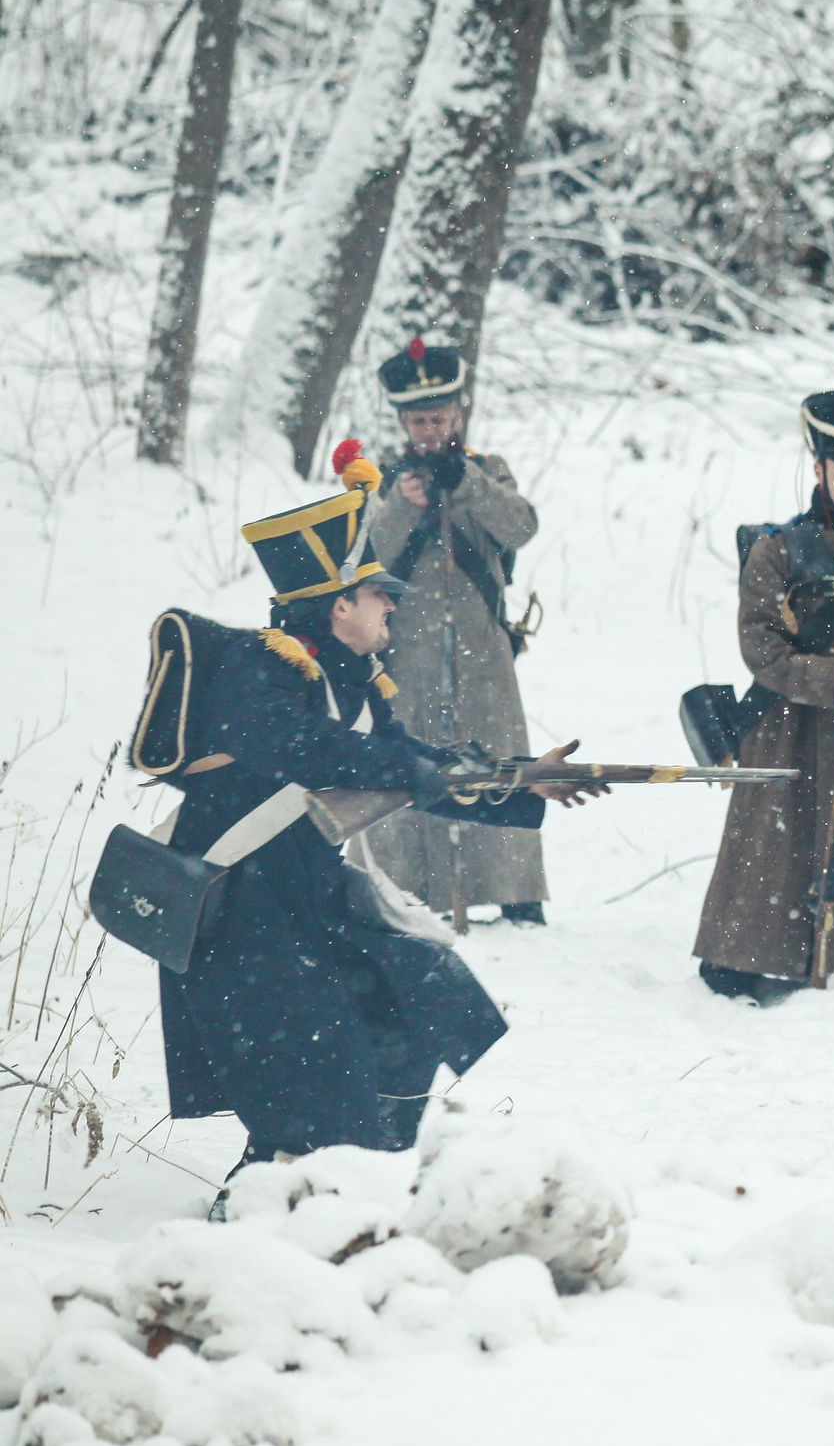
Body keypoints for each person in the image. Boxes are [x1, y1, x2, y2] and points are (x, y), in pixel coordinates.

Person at [155, 478, 600, 1198]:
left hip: (305, 897)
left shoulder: (352, 679)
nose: (392, 604)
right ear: (339, 605)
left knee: (415, 998)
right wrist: (408, 767)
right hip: (240, 910)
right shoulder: (259, 667)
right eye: (377, 594)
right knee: (314, 1070)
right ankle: (268, 1197)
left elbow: (414, 766)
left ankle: (355, 1178)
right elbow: (301, 745)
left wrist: (522, 781)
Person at [693, 385, 834, 1003]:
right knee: (771, 839)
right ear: (818, 469)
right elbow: (760, 647)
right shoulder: (776, 550)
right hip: (785, 720)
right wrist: (826, 678)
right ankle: (743, 956)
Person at [360, 336, 548, 925]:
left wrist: (467, 483)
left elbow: (521, 527)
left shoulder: (487, 471)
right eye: (419, 421)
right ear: (403, 423)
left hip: (482, 650)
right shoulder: (384, 483)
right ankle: (410, 892)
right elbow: (365, 558)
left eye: (439, 418)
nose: (429, 430)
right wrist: (401, 506)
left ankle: (515, 891)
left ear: (457, 416)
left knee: (499, 757)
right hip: (407, 652)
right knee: (411, 764)